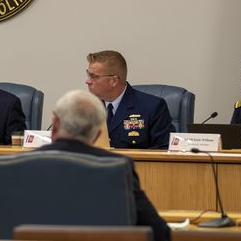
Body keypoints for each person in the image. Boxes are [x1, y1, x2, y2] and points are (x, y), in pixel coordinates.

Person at [37, 90, 170, 241]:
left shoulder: (17, 163)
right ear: (98, 135)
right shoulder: (116, 167)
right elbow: (158, 231)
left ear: (54, 126)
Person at [85, 50, 173, 149]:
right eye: (89, 75)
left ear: (113, 81)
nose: (87, 81)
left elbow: (164, 152)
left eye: (94, 77)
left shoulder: (153, 107)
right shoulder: (86, 108)